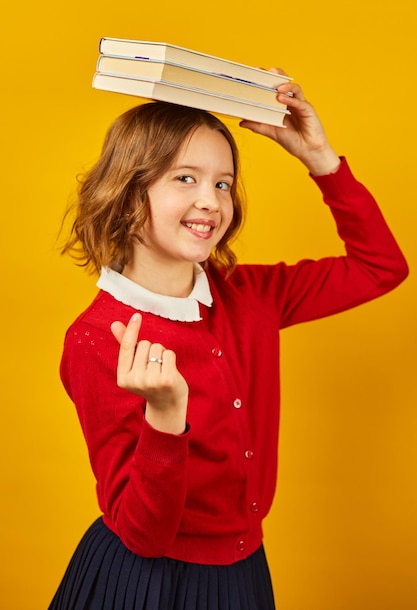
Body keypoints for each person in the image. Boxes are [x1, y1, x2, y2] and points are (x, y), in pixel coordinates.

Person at [48, 72, 408, 610]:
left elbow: (381, 267)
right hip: (144, 585)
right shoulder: (96, 340)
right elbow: (145, 533)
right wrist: (165, 420)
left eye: (222, 183)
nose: (211, 201)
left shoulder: (251, 296)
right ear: (127, 196)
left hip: (242, 575)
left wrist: (321, 159)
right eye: (185, 178)